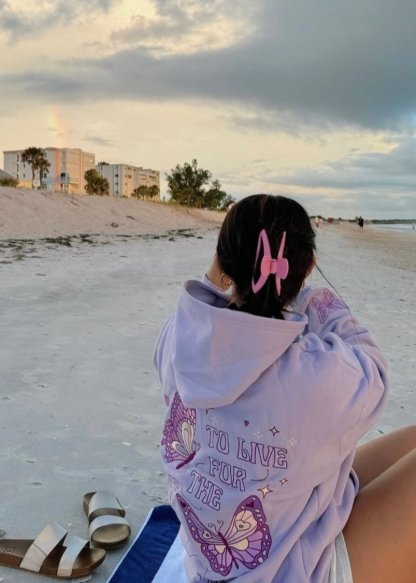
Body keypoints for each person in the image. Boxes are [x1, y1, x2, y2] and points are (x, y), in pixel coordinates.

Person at [154, 194, 416, 582]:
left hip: (213, 556)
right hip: (292, 571)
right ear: (307, 266)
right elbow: (375, 371)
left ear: (222, 260)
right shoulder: (312, 373)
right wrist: (316, 299)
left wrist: (223, 273)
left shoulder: (179, 338)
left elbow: (205, 300)